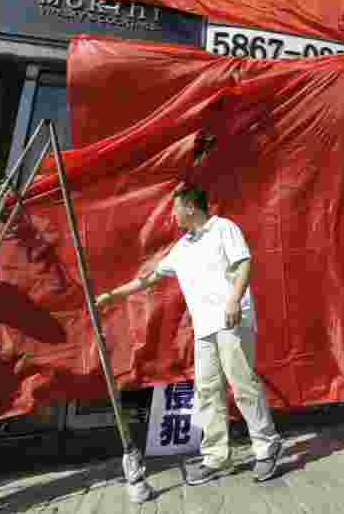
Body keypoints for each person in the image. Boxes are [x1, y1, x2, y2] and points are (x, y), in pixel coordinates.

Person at [96, 184, 282, 485]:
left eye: (175, 209)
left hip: (232, 320)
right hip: (204, 327)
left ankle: (266, 446)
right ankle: (216, 457)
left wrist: (234, 298)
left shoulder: (223, 228)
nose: (172, 215)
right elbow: (151, 277)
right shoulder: (183, 247)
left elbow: (244, 262)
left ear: (190, 208)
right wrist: (112, 295)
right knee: (207, 391)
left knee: (243, 384)